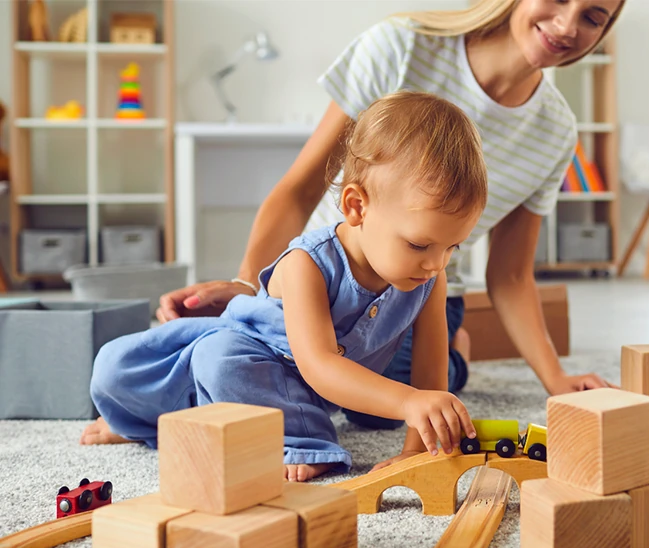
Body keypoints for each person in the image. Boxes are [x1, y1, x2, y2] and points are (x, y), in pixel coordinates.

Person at [156, 0, 625, 463]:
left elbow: (512, 274)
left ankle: (452, 349)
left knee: (385, 405)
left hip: (416, 295)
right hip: (319, 281)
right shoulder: (399, 47)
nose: (567, 25)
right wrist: (247, 291)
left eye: (593, 17)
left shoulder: (557, 128)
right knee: (220, 356)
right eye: (560, 0)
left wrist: (555, 380)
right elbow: (299, 191)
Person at [81, 91, 488, 482]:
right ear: (356, 207)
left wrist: (417, 450)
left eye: (453, 246)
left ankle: (247, 429)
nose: (436, 263)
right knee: (124, 367)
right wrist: (406, 401)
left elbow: (430, 372)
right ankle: (156, 423)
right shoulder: (306, 263)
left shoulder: (429, 279)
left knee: (387, 402)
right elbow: (320, 365)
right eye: (419, 244)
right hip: (254, 358)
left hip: (311, 392)